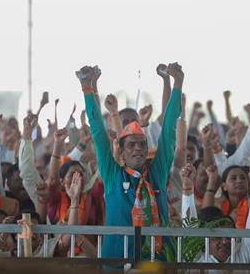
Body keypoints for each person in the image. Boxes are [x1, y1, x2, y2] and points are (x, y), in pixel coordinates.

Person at [76, 63, 183, 260]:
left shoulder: (156, 171)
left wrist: (177, 84)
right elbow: (98, 132)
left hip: (158, 262)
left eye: (142, 144)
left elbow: (168, 130)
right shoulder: (112, 174)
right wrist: (87, 89)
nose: (138, 149)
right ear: (122, 153)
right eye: (131, 145)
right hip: (117, 261)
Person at [194, 165, 250, 264]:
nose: (225, 241)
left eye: (229, 237)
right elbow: (204, 215)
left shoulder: (242, 258)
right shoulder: (198, 262)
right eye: (218, 237)